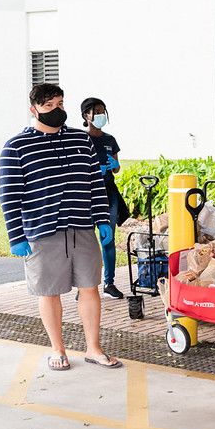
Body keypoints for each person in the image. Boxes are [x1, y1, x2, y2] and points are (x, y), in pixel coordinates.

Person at [0, 83, 122, 371]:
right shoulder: (16, 146)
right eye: (49, 106)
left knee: (90, 288)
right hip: (43, 232)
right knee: (49, 292)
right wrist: (16, 235)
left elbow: (95, 184)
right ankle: (59, 349)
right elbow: (9, 195)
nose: (57, 110)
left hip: (82, 228)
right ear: (34, 110)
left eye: (60, 104)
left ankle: (93, 348)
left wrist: (102, 219)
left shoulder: (82, 142)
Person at [81, 97, 125, 299]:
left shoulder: (110, 140)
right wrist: (93, 171)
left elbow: (116, 168)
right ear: (85, 116)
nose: (99, 115)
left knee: (108, 240)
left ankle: (109, 282)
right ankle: (86, 286)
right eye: (95, 111)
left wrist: (111, 165)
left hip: (108, 193)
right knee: (87, 242)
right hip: (87, 195)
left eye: (102, 111)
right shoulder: (80, 139)